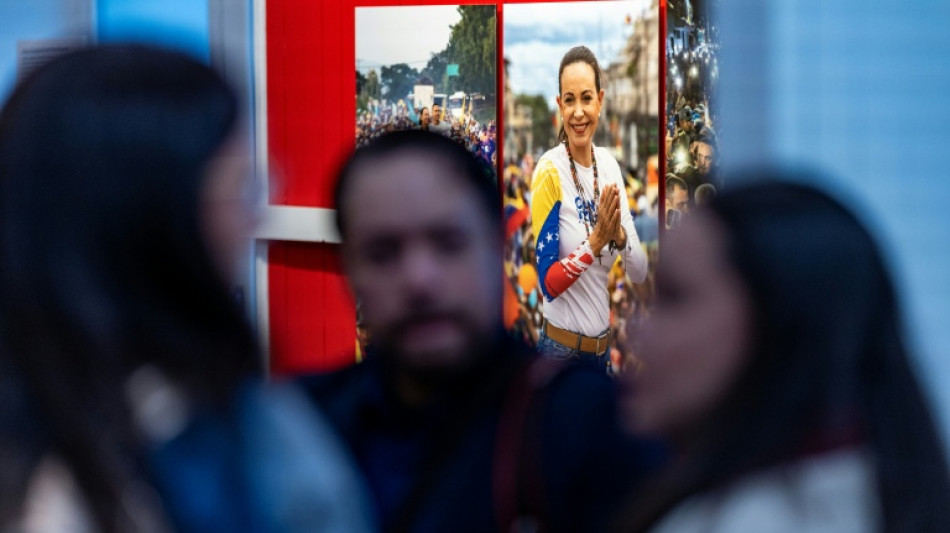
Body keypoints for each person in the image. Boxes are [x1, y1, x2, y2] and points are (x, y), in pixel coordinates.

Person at [0, 45, 373, 532]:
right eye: (242, 187)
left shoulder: (187, 404)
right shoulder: (175, 437)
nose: (254, 218)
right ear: (151, 212)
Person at [301, 130, 662, 533]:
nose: (419, 279)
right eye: (383, 253)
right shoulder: (297, 429)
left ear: (496, 247)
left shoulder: (593, 428)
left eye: (449, 243)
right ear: (347, 267)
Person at [616, 178, 950, 532]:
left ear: (781, 323)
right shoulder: (875, 491)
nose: (632, 330)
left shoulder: (753, 520)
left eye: (672, 297)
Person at [530, 45, 648, 364]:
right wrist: (596, 241)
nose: (579, 112)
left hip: (602, 354)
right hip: (560, 354)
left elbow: (639, 271)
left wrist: (619, 236)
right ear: (560, 105)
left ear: (600, 100)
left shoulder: (609, 165)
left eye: (586, 98)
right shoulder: (548, 171)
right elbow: (548, 283)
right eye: (570, 100)